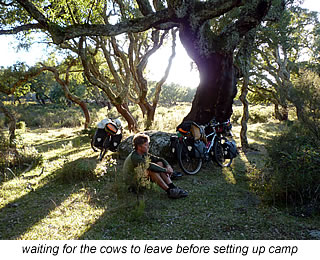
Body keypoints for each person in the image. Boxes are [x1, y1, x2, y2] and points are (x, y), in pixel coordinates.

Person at [123, 133, 188, 199]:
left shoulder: (143, 153)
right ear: (139, 147)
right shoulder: (135, 157)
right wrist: (165, 170)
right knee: (151, 171)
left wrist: (168, 166)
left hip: (139, 177)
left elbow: (160, 159)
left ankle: (172, 186)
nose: (148, 146)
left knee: (159, 163)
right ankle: (170, 192)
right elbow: (149, 166)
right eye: (145, 145)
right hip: (133, 184)